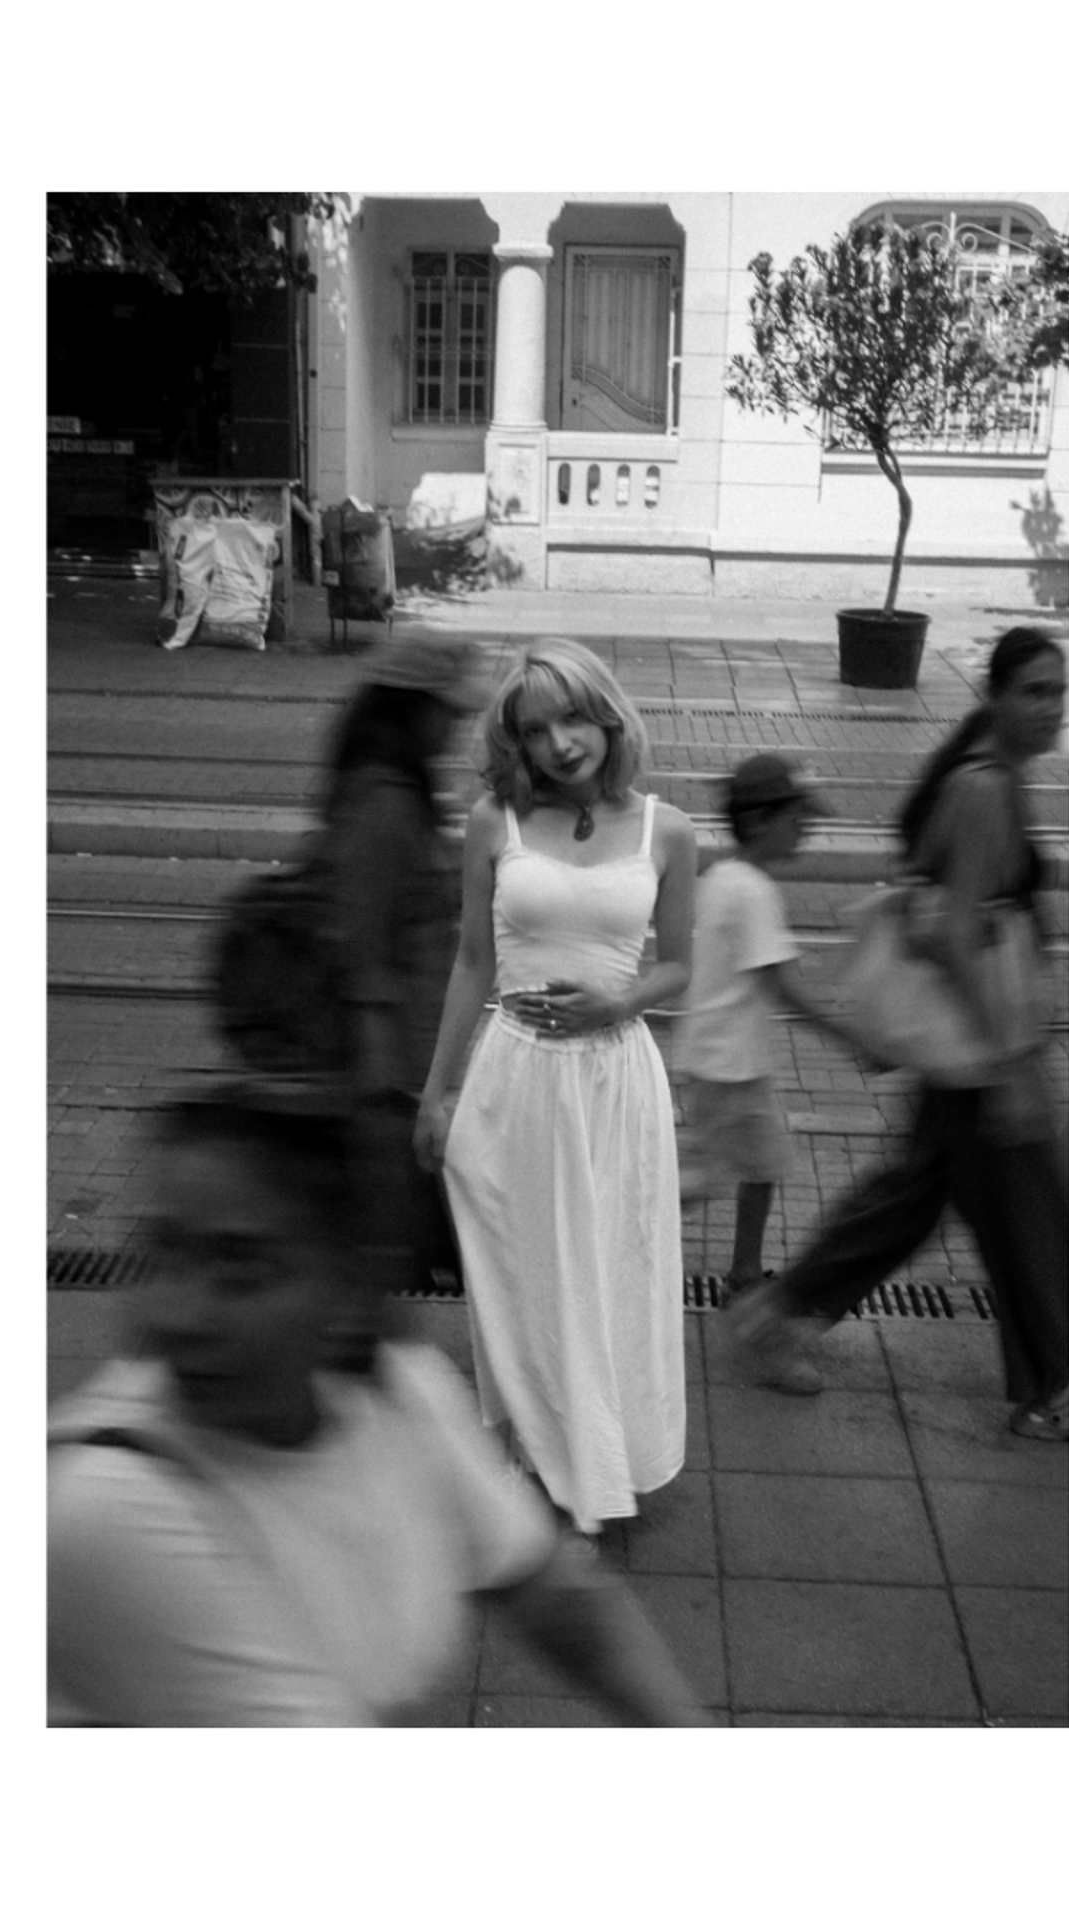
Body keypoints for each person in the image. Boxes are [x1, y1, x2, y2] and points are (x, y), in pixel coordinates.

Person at [47, 1095, 707, 1726]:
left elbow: (561, 1604)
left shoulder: (399, 1390)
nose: (173, 1314)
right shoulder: (106, 1507)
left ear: (350, 1291)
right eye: (163, 1251)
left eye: (241, 1271)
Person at [727, 628, 1069, 1437]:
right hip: (982, 1051)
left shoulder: (993, 777)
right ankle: (1051, 1387)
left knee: (915, 1202)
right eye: (1036, 690)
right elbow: (953, 931)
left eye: (1060, 690)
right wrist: (1010, 1060)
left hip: (969, 1050)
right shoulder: (986, 789)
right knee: (1029, 1215)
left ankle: (775, 1313)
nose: (1054, 707)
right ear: (995, 697)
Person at [414, 637, 699, 1534]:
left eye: (574, 718)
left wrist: (619, 1000)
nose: (560, 744)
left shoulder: (669, 830)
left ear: (608, 715)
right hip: (514, 1077)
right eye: (536, 730)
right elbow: (471, 961)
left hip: (614, 1083)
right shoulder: (494, 820)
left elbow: (682, 970)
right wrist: (437, 1090)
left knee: (611, 1268)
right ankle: (532, 1443)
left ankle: (607, 1454)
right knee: (517, 1268)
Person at [677, 753, 882, 1345]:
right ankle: (621, 1246)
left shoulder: (722, 877)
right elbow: (787, 989)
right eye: (799, 818)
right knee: (709, 1175)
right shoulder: (753, 891)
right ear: (762, 820)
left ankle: (742, 1273)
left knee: (758, 1167)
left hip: (720, 1058)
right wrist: (856, 1042)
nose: (807, 829)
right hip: (730, 1067)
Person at [320, 631, 493, 1301]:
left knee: (423, 1257)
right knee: (420, 1252)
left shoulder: (401, 792)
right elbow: (362, 959)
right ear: (410, 709)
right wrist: (390, 1099)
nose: (456, 727)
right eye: (449, 713)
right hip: (392, 1079)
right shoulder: (383, 804)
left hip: (414, 1074)